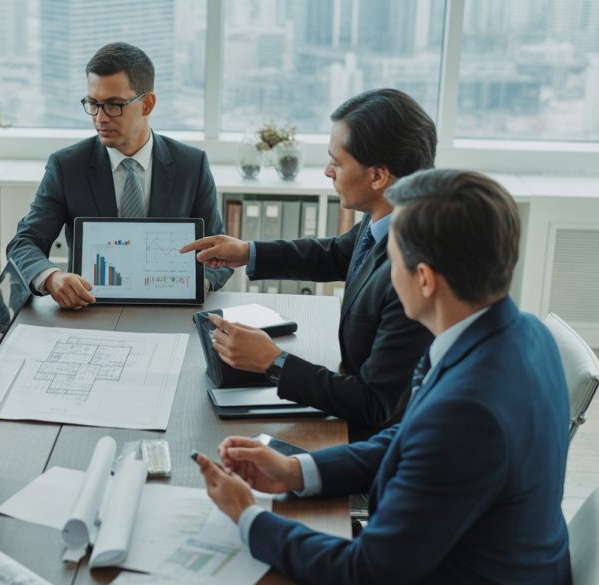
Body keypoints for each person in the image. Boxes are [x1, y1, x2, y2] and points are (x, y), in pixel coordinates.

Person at [197, 169, 571, 584]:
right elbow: (412, 438)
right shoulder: (521, 332)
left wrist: (247, 517)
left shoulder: (468, 411)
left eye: (391, 257)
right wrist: (298, 470)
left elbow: (368, 571)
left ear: (425, 279)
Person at [181, 88, 434, 435]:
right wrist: (247, 251)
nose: (329, 171)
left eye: (338, 161)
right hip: (350, 400)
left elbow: (375, 404)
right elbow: (336, 254)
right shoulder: (387, 215)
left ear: (378, 176)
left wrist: (274, 362)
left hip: (371, 442)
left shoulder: (414, 271)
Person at [6, 42, 232, 309]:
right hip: (89, 309)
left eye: (114, 105)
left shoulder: (191, 165)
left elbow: (219, 253)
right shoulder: (67, 166)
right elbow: (24, 243)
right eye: (93, 103)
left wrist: (197, 285)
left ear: (147, 104)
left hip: (169, 313)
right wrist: (52, 278)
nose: (100, 118)